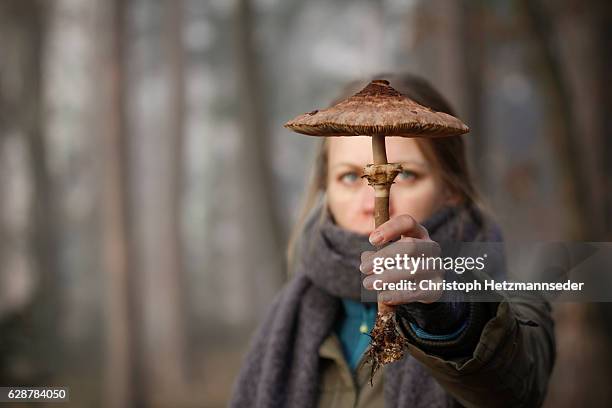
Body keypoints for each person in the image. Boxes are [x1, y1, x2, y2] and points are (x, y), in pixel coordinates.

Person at [230, 73, 555, 408]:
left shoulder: (503, 293)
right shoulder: (293, 311)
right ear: (326, 188)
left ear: (452, 190)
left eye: (408, 174)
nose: (372, 201)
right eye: (350, 176)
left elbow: (517, 385)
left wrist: (447, 312)